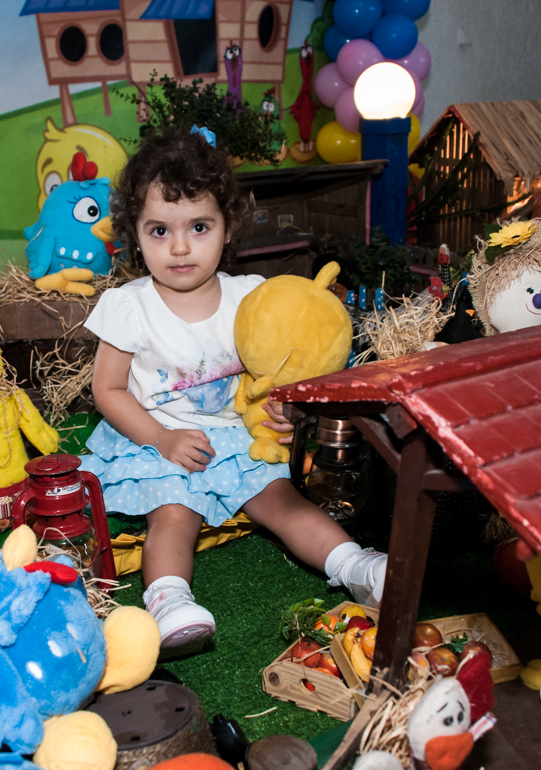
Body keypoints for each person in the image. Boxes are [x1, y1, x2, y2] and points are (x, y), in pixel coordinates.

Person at [81, 129, 386, 652]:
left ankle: (357, 565)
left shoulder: (252, 298)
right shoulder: (129, 305)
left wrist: (280, 411)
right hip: (161, 438)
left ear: (227, 227)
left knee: (283, 501)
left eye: (198, 226)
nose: (179, 247)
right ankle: (169, 599)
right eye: (159, 230)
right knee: (174, 512)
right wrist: (162, 438)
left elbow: (273, 373)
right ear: (133, 233)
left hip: (237, 437)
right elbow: (107, 390)